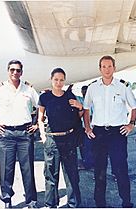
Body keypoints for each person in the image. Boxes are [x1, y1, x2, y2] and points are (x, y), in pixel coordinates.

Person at [0, 59, 38, 208]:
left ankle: (31, 200)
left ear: (21, 72)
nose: (15, 73)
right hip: (6, 135)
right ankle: (7, 199)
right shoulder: (0, 89)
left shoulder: (28, 89)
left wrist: (37, 123)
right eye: (12, 70)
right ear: (8, 71)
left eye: (18, 70)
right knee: (6, 170)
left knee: (28, 169)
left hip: (25, 134)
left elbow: (41, 106)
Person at [83, 55, 136, 208]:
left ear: (114, 68)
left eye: (109, 66)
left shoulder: (123, 86)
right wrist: (87, 127)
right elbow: (86, 108)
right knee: (99, 171)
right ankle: (100, 204)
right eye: (104, 66)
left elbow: (134, 106)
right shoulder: (93, 87)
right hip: (99, 133)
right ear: (100, 69)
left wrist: (131, 124)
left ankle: (126, 202)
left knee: (120, 170)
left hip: (117, 134)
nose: (107, 69)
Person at [38, 68, 82, 208]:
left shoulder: (70, 96)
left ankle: (73, 204)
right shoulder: (45, 97)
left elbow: (78, 116)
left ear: (64, 81)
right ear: (51, 80)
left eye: (61, 80)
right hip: (52, 140)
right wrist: (42, 136)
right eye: (56, 79)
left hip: (68, 139)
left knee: (72, 174)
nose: (58, 82)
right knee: (51, 175)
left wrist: (80, 106)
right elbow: (40, 118)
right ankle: (51, 204)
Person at [76, 85, 94, 170]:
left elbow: (92, 115)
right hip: (81, 128)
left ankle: (88, 164)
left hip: (90, 128)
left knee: (88, 147)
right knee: (82, 146)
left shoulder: (92, 102)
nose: (84, 93)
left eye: (86, 91)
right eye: (83, 91)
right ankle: (85, 161)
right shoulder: (80, 100)